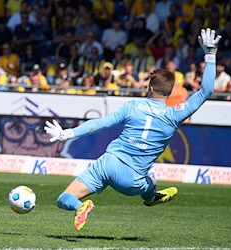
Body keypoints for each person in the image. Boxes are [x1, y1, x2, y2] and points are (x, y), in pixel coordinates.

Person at [44, 28, 220, 231]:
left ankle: (80, 206)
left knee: (64, 198)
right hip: (132, 181)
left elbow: (101, 123)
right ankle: (151, 197)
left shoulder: (132, 106)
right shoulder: (175, 115)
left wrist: (66, 133)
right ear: (169, 92)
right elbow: (207, 90)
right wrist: (210, 55)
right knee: (150, 180)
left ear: (151, 88)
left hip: (108, 164)